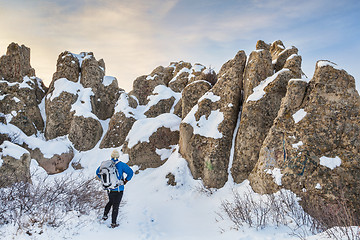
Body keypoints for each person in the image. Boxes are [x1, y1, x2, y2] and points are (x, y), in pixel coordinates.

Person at [96, 150, 133, 228]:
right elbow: (130, 172)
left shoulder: (106, 165)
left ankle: (105, 216)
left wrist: (104, 180)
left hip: (109, 188)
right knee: (116, 206)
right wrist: (126, 180)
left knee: (110, 202)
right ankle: (113, 223)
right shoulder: (121, 165)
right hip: (119, 189)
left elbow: (97, 172)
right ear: (118, 156)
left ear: (111, 156)